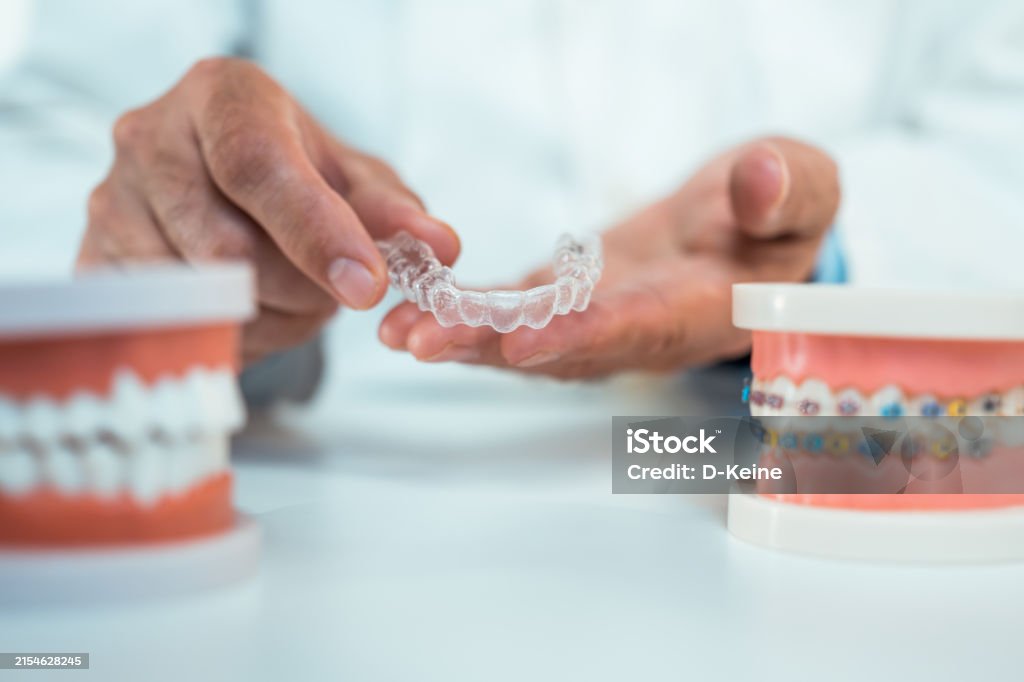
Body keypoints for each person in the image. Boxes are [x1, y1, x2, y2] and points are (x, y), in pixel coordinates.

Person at [2, 1, 1023, 382]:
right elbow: (52, 154)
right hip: (318, 506)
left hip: (767, 487)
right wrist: (182, 256)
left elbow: (1001, 141)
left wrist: (814, 273)